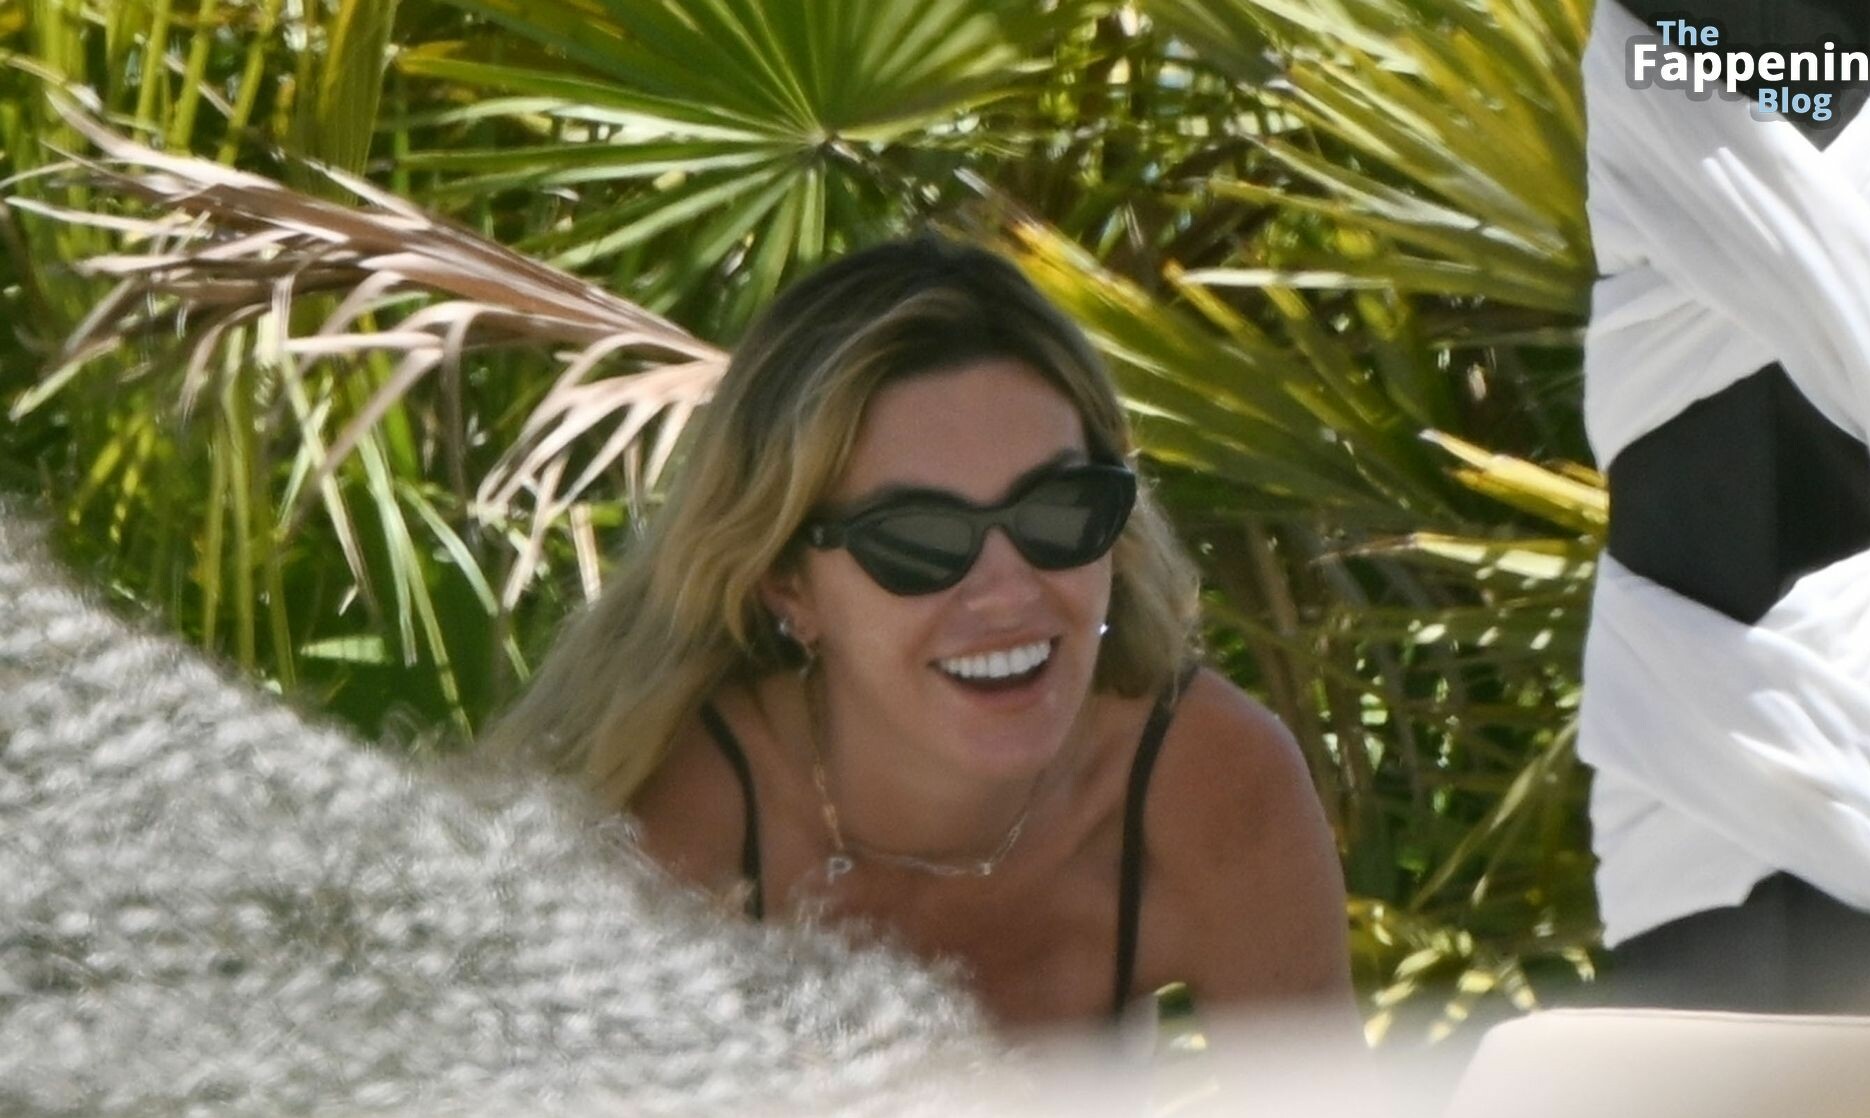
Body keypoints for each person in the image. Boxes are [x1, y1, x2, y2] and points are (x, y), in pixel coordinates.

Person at [485, 236, 1353, 1033]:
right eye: (919, 541)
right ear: (787, 583)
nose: (1008, 593)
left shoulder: (1202, 781)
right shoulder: (673, 818)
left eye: (1059, 511)